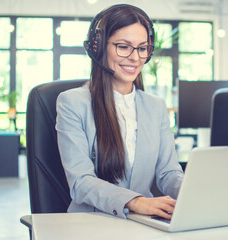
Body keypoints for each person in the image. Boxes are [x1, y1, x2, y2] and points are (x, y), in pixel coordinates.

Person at [56, 4, 184, 220]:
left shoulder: (156, 107)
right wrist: (136, 202)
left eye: (142, 48)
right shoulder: (72, 103)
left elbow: (168, 173)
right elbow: (81, 182)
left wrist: (194, 193)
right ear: (98, 48)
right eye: (124, 46)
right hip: (90, 223)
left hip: (143, 223)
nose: (135, 57)